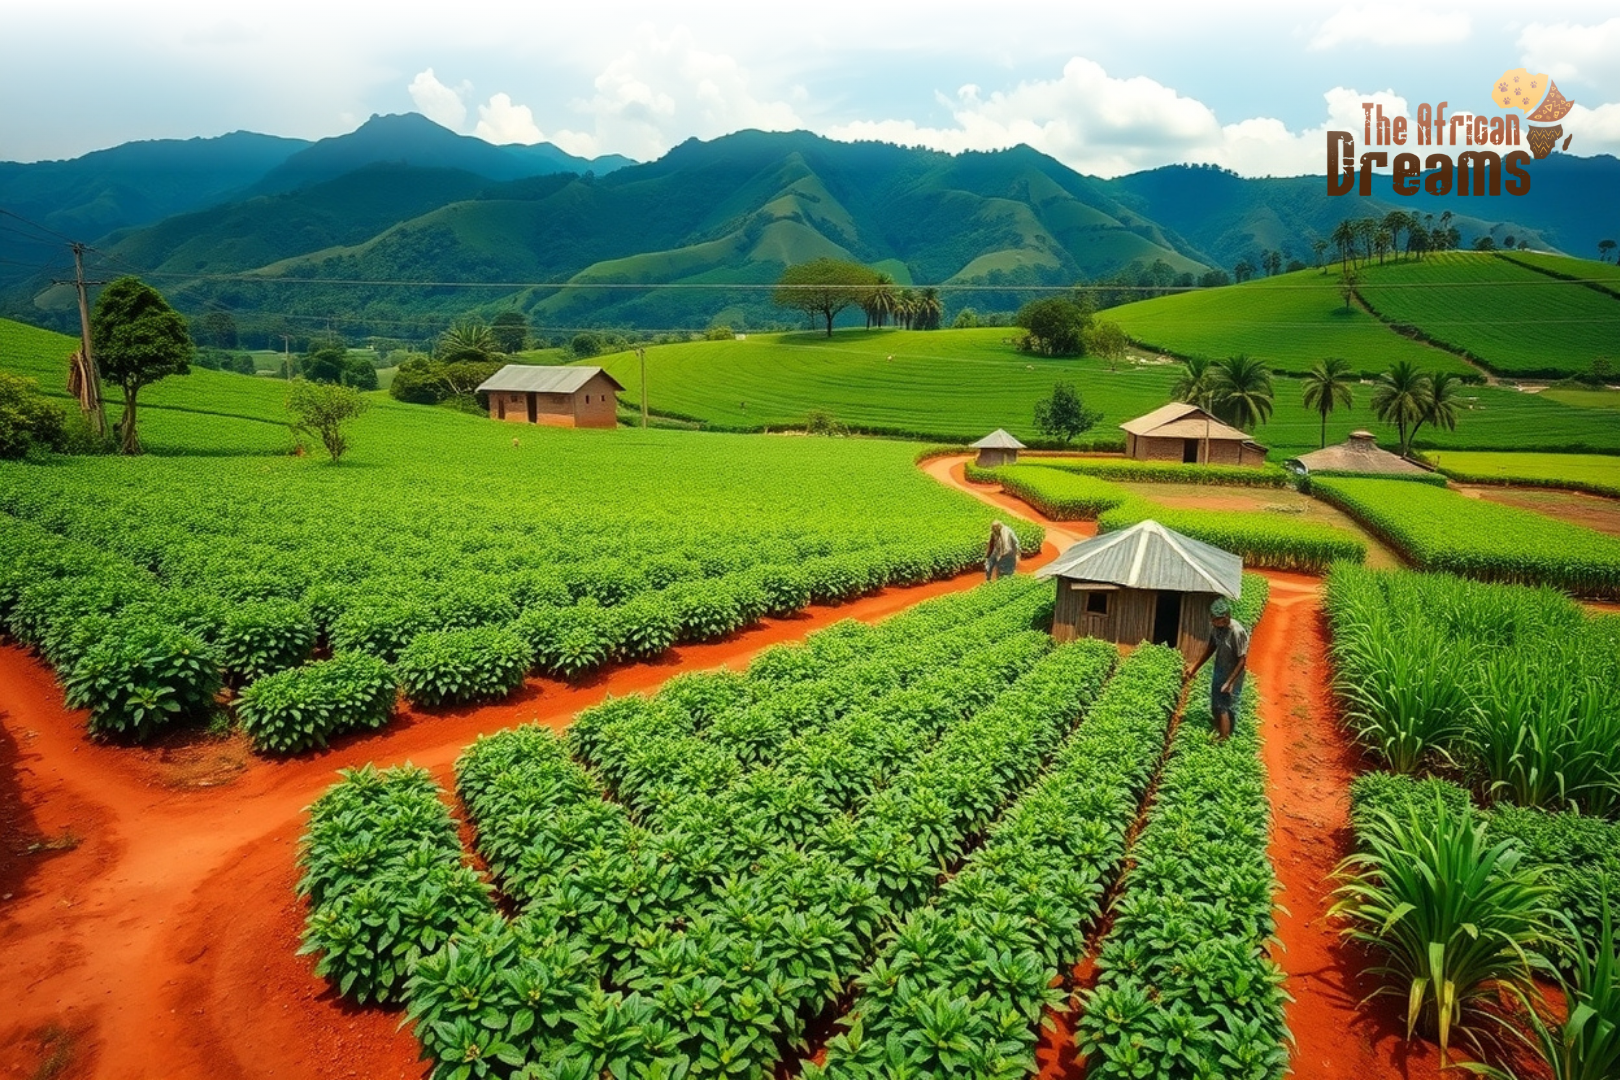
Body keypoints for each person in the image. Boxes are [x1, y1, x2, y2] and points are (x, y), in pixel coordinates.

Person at [1185, 596, 1249, 740]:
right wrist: (1194, 667)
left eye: (1216, 619)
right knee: (1216, 703)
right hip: (1220, 669)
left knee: (1224, 706)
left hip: (1234, 673)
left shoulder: (1237, 632)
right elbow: (1210, 648)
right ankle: (1217, 730)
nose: (1213, 622)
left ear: (1225, 618)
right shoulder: (1217, 629)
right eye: (1212, 619)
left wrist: (1229, 682)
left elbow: (1241, 660)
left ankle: (1224, 738)